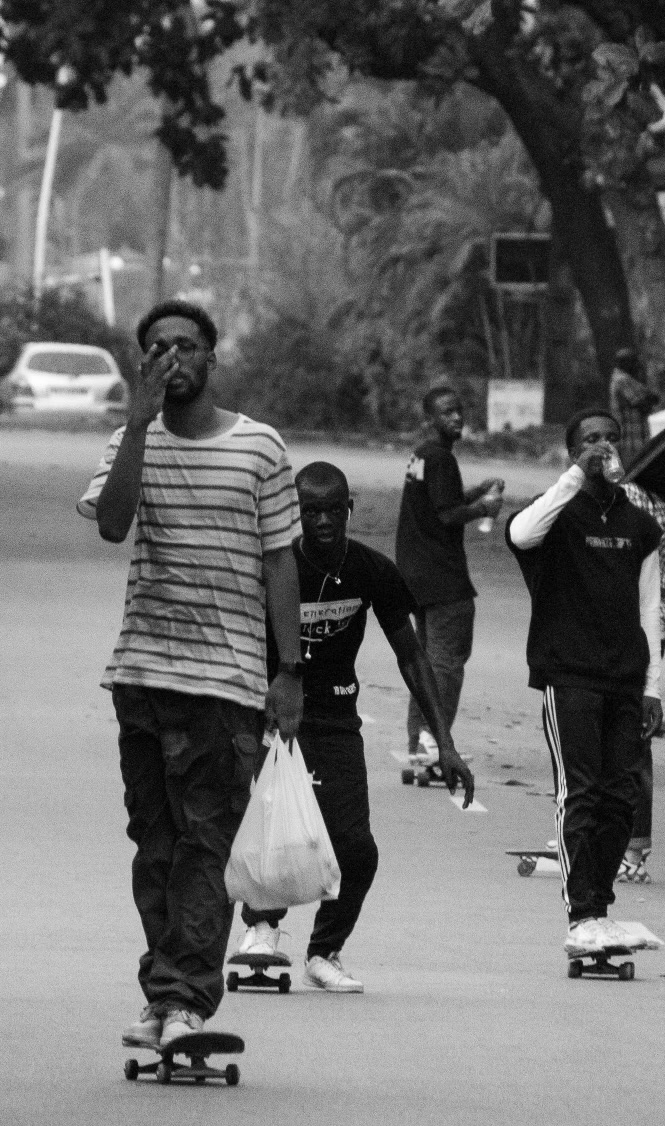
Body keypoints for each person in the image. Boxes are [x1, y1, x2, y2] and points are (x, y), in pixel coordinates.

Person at [79, 300, 303, 1053]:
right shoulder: (128, 441)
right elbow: (113, 524)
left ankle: (185, 1004)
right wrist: (138, 425)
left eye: (186, 346)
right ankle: (163, 990)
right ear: (143, 364)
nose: (172, 358)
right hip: (142, 675)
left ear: (213, 358)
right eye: (157, 349)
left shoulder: (260, 448)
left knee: (205, 844)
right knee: (156, 844)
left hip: (228, 684)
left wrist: (289, 672)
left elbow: (280, 562)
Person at [230, 463, 476, 992]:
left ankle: (324, 952)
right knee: (275, 835)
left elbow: (411, 656)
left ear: (349, 508)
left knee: (356, 847)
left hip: (337, 719)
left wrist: (445, 743)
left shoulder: (372, 570)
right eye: (310, 510)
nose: (321, 520)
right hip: (274, 718)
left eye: (331, 509)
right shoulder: (274, 569)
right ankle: (261, 933)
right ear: (296, 513)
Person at [506, 408, 662, 957]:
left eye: (611, 439)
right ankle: (581, 915)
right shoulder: (555, 514)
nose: (603, 447)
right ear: (573, 452)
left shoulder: (639, 524)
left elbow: (650, 608)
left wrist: (653, 688)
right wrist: (575, 476)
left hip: (625, 677)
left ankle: (601, 904)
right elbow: (520, 534)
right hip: (569, 674)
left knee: (622, 799)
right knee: (582, 793)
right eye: (590, 439)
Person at [394, 386, 503, 764]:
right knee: (446, 661)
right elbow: (447, 514)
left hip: (416, 575)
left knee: (426, 658)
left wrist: (477, 492)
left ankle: (418, 739)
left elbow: (444, 500)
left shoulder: (423, 456)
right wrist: (485, 507)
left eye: (458, 410)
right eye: (446, 412)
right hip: (442, 579)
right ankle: (432, 738)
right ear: (430, 419)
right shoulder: (440, 458)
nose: (456, 418)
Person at [610, 348, 665, 883]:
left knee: (630, 738)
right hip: (644, 629)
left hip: (638, 630)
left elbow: (652, 592)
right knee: (622, 736)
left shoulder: (637, 503)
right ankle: (620, 838)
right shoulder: (659, 500)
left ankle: (632, 844)